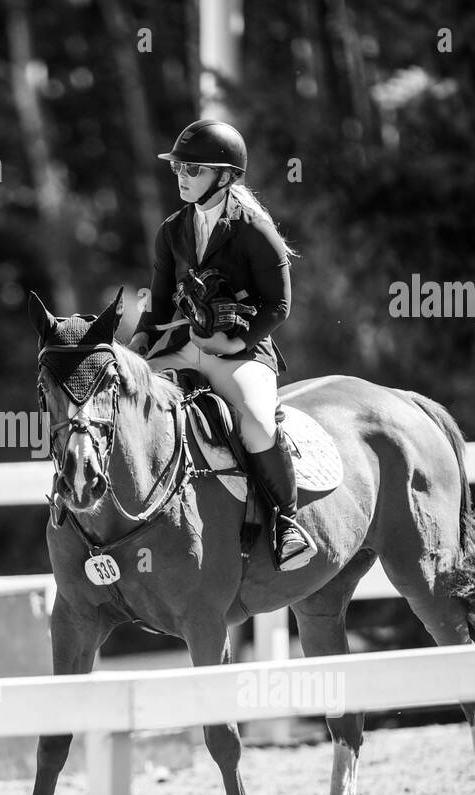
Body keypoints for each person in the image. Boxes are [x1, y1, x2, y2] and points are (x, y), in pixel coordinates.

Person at [128, 119, 317, 571]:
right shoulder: (172, 230)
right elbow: (155, 309)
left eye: (193, 169)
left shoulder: (254, 229)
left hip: (245, 353)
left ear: (226, 176)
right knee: (121, 398)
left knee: (255, 423)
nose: (182, 177)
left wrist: (238, 342)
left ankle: (287, 523)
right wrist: (133, 354)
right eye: (179, 168)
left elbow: (280, 305)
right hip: (184, 347)